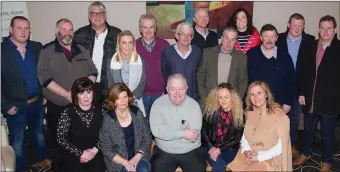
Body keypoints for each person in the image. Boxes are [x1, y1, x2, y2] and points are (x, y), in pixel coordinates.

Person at [37, 18, 98, 171]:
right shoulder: (47, 51)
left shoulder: (81, 49)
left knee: (80, 141)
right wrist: (66, 94)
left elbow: (93, 71)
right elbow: (43, 77)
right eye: (63, 30)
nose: (67, 33)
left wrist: (84, 91)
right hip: (58, 106)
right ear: (57, 32)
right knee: (59, 144)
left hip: (81, 107)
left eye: (70, 30)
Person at [1, 16, 50, 171]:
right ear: (10, 29)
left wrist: (44, 95)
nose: (23, 32)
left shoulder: (36, 47)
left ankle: (43, 163)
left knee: (39, 135)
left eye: (26, 28)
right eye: (19, 28)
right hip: (15, 107)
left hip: (36, 103)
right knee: (18, 142)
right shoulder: (2, 51)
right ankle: (21, 169)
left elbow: (44, 73)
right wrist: (5, 105)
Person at [294, 15, 340, 171]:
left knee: (327, 133)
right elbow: (303, 72)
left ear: (336, 30)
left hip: (330, 101)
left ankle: (327, 160)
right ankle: (306, 153)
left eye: (329, 28)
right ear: (318, 29)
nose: (325, 31)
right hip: (310, 98)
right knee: (308, 130)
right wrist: (301, 93)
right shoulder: (311, 46)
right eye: (322, 28)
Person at [227, 81, 292, 171]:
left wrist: (259, 158)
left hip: (270, 159)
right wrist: (246, 150)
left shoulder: (280, 116)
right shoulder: (248, 114)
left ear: (266, 94)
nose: (256, 97)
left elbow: (282, 146)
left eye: (259, 93)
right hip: (250, 155)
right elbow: (244, 136)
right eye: (252, 94)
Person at [276, 13, 315, 158]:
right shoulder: (278, 39)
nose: (297, 29)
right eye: (294, 25)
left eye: (300, 26)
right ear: (288, 24)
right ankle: (275, 147)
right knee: (277, 117)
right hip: (280, 87)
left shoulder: (310, 41)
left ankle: (290, 147)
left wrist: (303, 91)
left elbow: (310, 69)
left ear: (303, 26)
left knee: (294, 118)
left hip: (299, 88)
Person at [150, 73, 206, 172]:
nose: (177, 93)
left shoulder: (194, 106)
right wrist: (183, 133)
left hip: (190, 150)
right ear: (167, 89)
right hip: (164, 151)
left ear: (186, 88)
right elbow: (156, 131)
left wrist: (167, 135)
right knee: (157, 167)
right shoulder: (157, 104)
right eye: (173, 89)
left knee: (199, 167)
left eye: (181, 89)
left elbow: (193, 136)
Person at [74, 1, 121, 106]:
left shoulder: (117, 34)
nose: (97, 16)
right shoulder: (78, 35)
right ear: (89, 16)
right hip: (86, 85)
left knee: (109, 118)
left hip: (110, 85)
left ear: (105, 15)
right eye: (93, 13)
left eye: (101, 13)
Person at [99, 83, 152, 172]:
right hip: (118, 160)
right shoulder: (108, 119)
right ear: (113, 100)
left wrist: (137, 157)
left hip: (139, 155)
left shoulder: (137, 112)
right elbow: (105, 148)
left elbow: (147, 137)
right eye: (118, 98)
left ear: (129, 97)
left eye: (125, 97)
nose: (123, 101)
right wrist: (125, 163)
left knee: (144, 170)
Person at [56, 77, 105, 172]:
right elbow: (60, 138)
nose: (86, 97)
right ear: (76, 95)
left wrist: (94, 150)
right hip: (73, 152)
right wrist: (80, 153)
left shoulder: (101, 110)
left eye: (89, 92)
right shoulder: (67, 112)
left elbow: (106, 134)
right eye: (81, 93)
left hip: (96, 152)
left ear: (93, 93)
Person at [247, 24, 295, 114]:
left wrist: (288, 103)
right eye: (266, 36)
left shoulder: (285, 56)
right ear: (261, 38)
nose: (269, 40)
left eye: (273, 36)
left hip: (278, 105)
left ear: (277, 38)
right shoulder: (251, 54)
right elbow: (246, 80)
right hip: (255, 104)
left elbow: (291, 81)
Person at [197, 26, 248, 105]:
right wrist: (204, 98)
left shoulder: (241, 57)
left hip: (230, 104)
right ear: (222, 38)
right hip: (209, 102)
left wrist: (236, 101)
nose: (229, 42)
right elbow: (200, 77)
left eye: (233, 39)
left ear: (236, 41)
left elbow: (243, 82)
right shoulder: (208, 53)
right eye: (227, 38)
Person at [201, 83, 244, 172]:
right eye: (220, 97)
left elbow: (237, 138)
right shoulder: (210, 111)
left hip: (229, 149)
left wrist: (219, 149)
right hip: (210, 147)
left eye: (226, 97)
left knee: (220, 163)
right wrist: (212, 148)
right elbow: (204, 131)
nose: (223, 100)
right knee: (220, 163)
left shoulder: (240, 115)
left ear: (232, 97)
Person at [136, 14, 170, 119]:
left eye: (151, 27)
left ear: (155, 29)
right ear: (140, 29)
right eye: (145, 27)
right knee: (142, 127)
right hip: (139, 95)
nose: (148, 30)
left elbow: (169, 69)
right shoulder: (133, 46)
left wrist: (166, 91)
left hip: (160, 94)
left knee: (158, 125)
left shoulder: (165, 45)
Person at [107, 30, 146, 116]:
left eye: (130, 43)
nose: (127, 46)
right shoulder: (111, 61)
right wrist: (121, 100)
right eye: (124, 43)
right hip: (117, 103)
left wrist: (130, 98)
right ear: (119, 44)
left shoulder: (140, 61)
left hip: (135, 102)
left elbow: (142, 85)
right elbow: (110, 85)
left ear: (133, 44)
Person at [161, 22, 202, 102]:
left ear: (192, 37)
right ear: (177, 36)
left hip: (192, 97)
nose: (186, 37)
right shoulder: (167, 52)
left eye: (189, 35)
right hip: (173, 97)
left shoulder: (197, 51)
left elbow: (199, 74)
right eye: (183, 34)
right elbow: (165, 74)